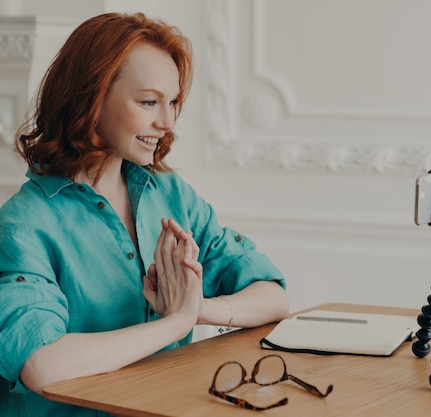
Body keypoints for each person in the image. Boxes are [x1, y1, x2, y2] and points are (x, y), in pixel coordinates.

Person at [0, 12, 289, 416]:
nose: (167, 122)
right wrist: (174, 323)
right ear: (90, 97)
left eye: (171, 102)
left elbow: (273, 298)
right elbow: (41, 365)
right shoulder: (24, 224)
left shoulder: (171, 195)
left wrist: (194, 308)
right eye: (149, 101)